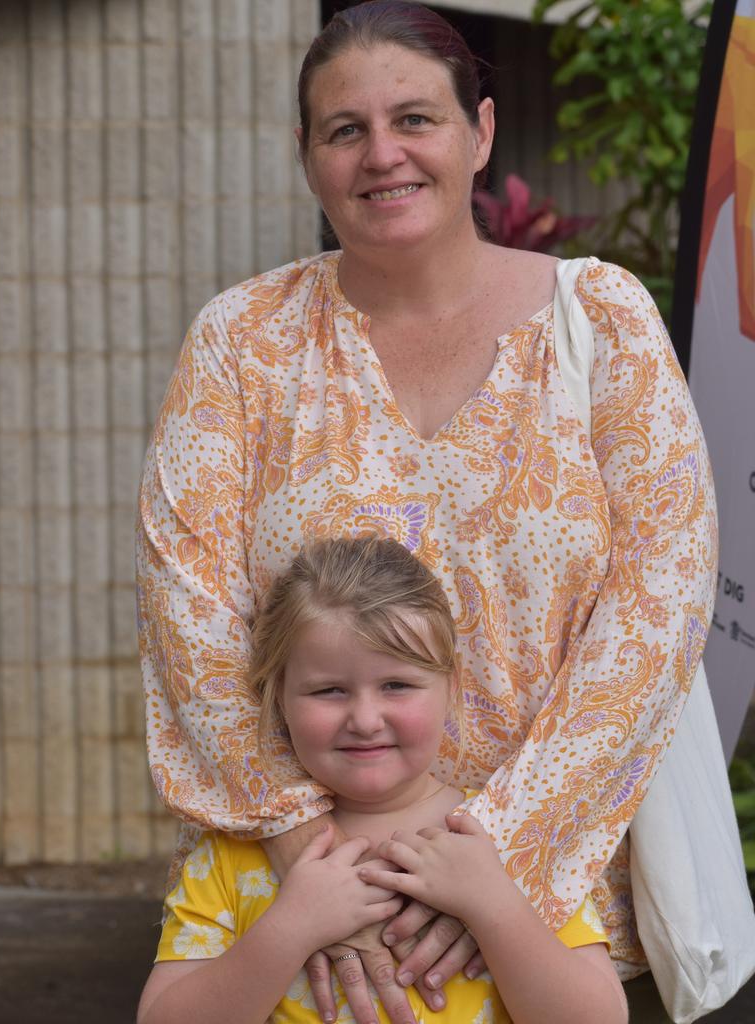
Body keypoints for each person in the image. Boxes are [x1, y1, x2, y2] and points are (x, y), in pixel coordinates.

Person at [136, 2, 717, 1022]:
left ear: (481, 131)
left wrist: (490, 862)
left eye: (417, 119)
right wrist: (319, 872)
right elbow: (188, 608)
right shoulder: (243, 340)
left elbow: (661, 600)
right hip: (301, 905)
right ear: (308, 156)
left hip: (548, 905)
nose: (382, 154)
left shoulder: (604, 320)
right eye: (344, 129)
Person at [137, 538, 628, 1024]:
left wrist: (495, 906)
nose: (366, 720)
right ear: (278, 697)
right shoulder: (236, 850)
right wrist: (289, 928)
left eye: (397, 685)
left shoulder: (504, 838)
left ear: (450, 688)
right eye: (329, 690)